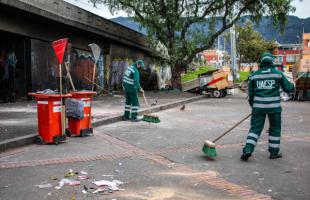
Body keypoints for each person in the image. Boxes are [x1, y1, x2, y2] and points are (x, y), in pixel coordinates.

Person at [241, 53, 295, 161]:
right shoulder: (278, 74)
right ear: (272, 61)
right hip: (274, 108)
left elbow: (250, 95)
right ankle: (274, 153)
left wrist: (254, 106)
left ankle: (248, 149)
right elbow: (288, 89)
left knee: (255, 129)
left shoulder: (254, 75)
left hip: (258, 108)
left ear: (261, 62)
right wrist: (293, 84)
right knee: (275, 129)